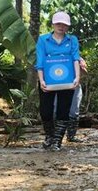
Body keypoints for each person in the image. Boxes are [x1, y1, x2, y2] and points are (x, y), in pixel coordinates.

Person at [35, 11, 81, 151]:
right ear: (53, 24)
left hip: (67, 80)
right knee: (46, 111)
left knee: (63, 111)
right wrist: (41, 79)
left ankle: (57, 141)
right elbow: (40, 61)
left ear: (68, 26)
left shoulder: (72, 40)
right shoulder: (43, 40)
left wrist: (77, 77)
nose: (61, 26)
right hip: (47, 81)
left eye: (64, 24)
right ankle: (49, 136)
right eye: (58, 23)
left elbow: (75, 58)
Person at [54, 56, 87, 142]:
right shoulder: (52, 57)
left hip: (73, 86)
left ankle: (71, 136)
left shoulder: (78, 58)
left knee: (73, 112)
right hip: (57, 86)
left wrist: (80, 65)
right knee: (55, 111)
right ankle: (55, 137)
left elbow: (85, 73)